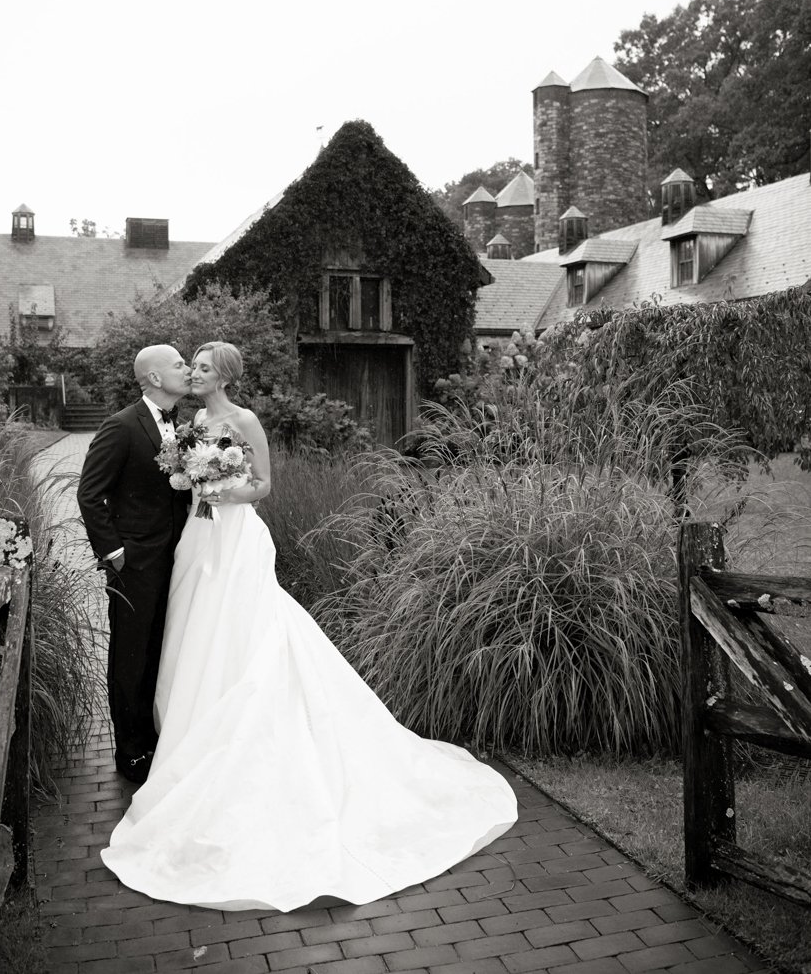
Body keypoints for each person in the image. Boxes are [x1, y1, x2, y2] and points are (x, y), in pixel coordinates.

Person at [101, 341, 517, 910]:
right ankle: (187, 733)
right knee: (196, 628)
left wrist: (220, 488)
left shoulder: (244, 419)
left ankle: (246, 721)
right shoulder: (193, 420)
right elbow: (173, 479)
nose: (192, 373)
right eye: (187, 365)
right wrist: (190, 483)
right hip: (198, 540)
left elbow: (263, 485)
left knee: (246, 627)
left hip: (235, 535)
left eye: (199, 366)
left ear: (221, 374)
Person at [77, 344, 192, 784]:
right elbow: (91, 493)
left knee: (160, 648)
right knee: (130, 655)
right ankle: (130, 753)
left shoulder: (178, 426)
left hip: (175, 557)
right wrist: (114, 553)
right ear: (157, 378)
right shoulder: (121, 426)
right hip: (135, 563)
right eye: (179, 363)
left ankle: (154, 736)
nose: (186, 369)